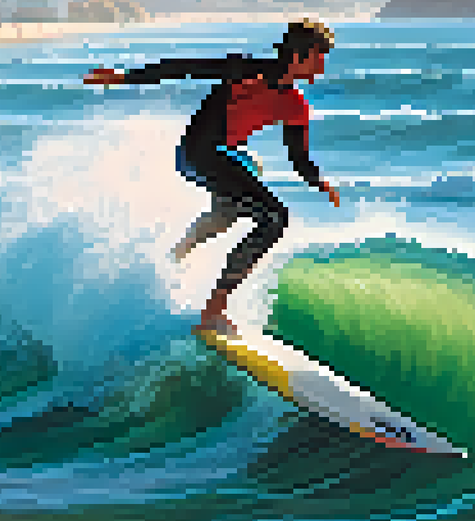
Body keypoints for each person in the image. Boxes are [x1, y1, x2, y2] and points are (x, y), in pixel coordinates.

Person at [83, 19, 340, 335]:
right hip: (197, 153)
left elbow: (298, 157)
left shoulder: (295, 105)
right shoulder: (246, 71)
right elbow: (186, 68)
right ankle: (213, 311)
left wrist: (319, 182)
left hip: (225, 156)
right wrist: (125, 77)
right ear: (299, 56)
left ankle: (177, 254)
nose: (322, 66)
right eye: (319, 57)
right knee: (274, 218)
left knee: (232, 208)